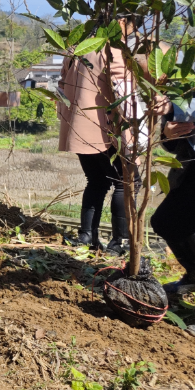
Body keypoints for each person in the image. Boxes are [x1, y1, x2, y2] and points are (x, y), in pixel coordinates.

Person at [57, 50, 131, 253]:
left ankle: (86, 236)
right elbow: (122, 89)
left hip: (79, 128)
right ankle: (119, 243)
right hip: (107, 128)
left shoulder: (73, 51)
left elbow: (61, 87)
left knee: (97, 181)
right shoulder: (113, 50)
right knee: (126, 183)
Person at [152, 54, 195, 305]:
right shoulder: (189, 67)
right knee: (168, 221)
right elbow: (172, 144)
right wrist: (168, 132)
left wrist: (174, 108)